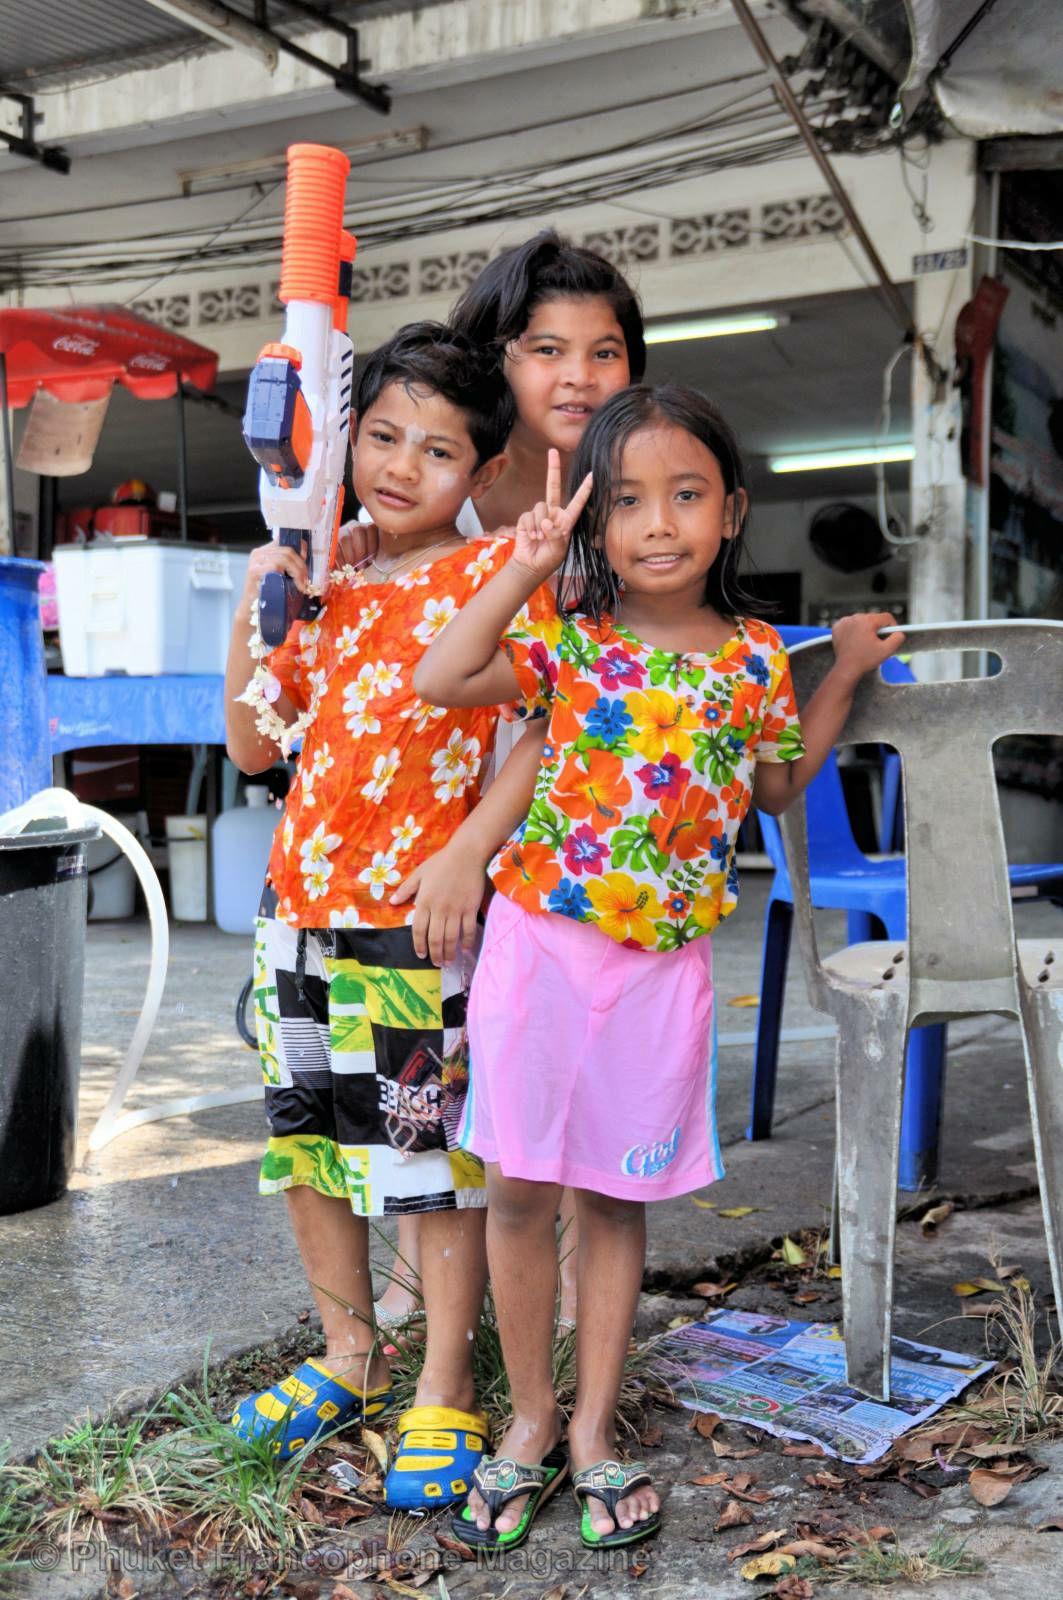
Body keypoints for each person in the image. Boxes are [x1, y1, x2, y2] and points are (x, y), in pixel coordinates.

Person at [415, 384, 904, 1551]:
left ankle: (591, 1427)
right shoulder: (567, 642)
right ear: (597, 524)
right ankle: (527, 1419)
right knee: (522, 1190)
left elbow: (778, 788)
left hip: (660, 970)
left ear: (730, 512)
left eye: (686, 495)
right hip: (538, 953)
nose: (658, 522)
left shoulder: (748, 662)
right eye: (627, 501)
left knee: (615, 1197)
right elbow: (442, 674)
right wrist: (524, 565)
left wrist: (834, 673)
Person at [224, 321, 549, 1510]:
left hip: (417, 923)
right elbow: (255, 743)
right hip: (295, 909)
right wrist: (260, 604)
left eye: (440, 450)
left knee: (427, 1161)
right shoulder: (330, 578)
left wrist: (472, 849)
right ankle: (349, 1354)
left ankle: (446, 1386)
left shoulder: (496, 574)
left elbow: (553, 721)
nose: (402, 466)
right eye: (382, 436)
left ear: (481, 473)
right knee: (309, 1146)